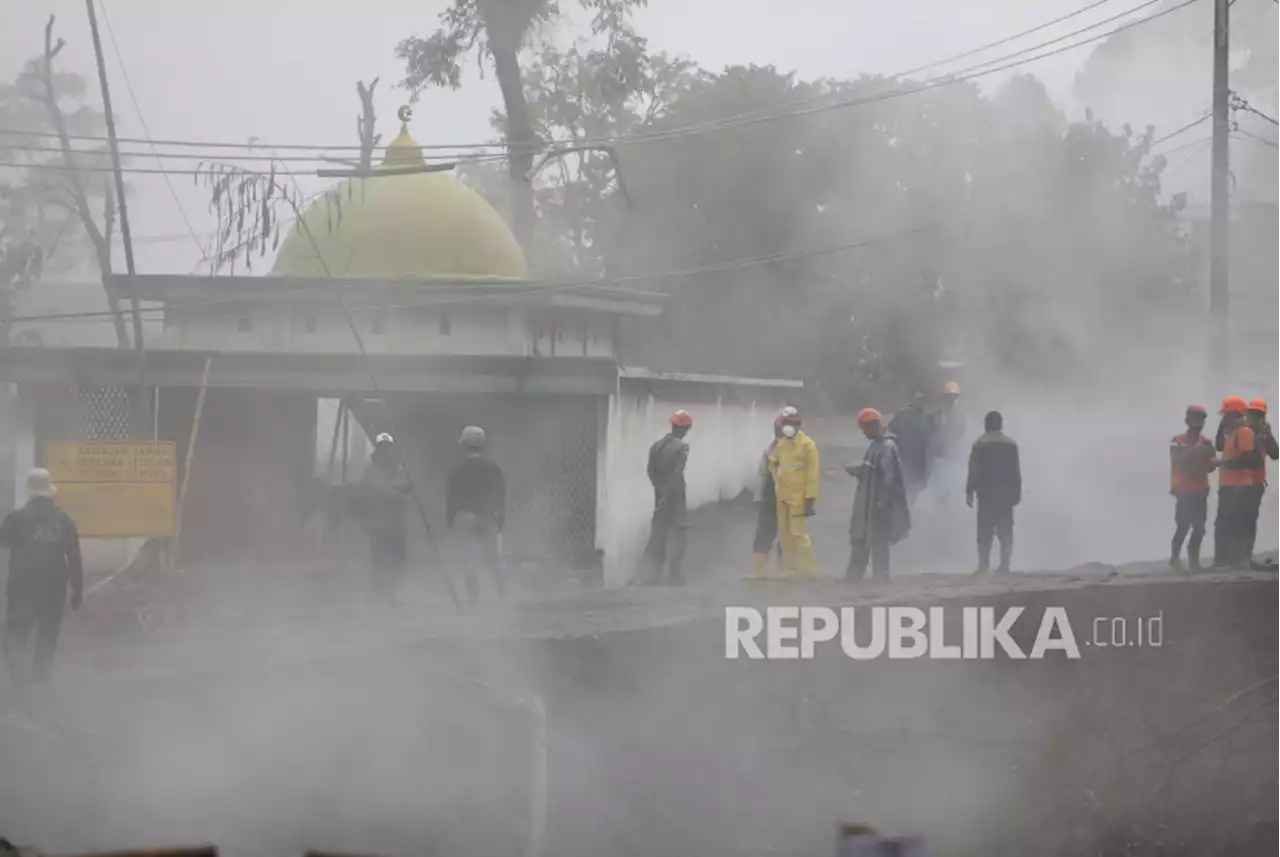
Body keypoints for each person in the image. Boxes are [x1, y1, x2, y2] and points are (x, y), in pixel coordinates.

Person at [0, 469, 82, 686]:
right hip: (54, 586)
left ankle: (19, 680)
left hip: (22, 585)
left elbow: (4, 541)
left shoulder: (16, 518)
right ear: (50, 492)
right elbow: (74, 557)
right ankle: (39, 681)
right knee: (47, 633)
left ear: (30, 492)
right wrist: (77, 591)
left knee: (15, 633)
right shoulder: (64, 519)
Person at [845, 408, 910, 581]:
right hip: (868, 503)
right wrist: (858, 471)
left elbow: (889, 477)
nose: (864, 433)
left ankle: (880, 577)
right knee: (861, 538)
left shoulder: (888, 446)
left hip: (879, 505)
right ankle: (854, 575)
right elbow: (872, 471)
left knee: (879, 542)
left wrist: (882, 502)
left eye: (865, 429)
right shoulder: (875, 445)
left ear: (874, 425)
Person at [447, 425, 507, 603]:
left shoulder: (458, 469)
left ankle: (473, 598)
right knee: (493, 557)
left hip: (464, 517)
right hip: (488, 516)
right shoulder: (493, 467)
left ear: (464, 445)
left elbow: (452, 497)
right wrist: (500, 517)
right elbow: (500, 494)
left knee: (469, 559)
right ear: (483, 445)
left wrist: (450, 519)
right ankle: (502, 594)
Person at [640, 410, 693, 585]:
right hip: (675, 496)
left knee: (659, 533)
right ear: (684, 428)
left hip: (660, 495)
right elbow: (677, 472)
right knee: (680, 533)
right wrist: (669, 492)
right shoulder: (682, 447)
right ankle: (674, 574)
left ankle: (655, 574)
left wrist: (660, 490)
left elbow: (650, 471)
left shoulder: (656, 446)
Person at [966, 411, 1021, 575]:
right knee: (1005, 532)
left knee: (984, 532)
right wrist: (1016, 493)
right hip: (1005, 495)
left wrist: (969, 491)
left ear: (987, 424)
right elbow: (1015, 472)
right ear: (1001, 424)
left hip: (986, 494)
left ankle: (983, 566)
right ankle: (1005, 565)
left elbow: (973, 470)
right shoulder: (1011, 444)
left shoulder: (980, 443)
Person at [769, 407, 821, 579]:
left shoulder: (807, 445)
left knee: (799, 534)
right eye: (785, 424)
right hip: (782, 496)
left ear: (798, 425)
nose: (787, 428)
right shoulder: (782, 444)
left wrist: (810, 499)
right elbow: (773, 462)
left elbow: (813, 474)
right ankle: (789, 570)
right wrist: (778, 479)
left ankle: (807, 570)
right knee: (785, 535)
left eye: (791, 424)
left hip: (798, 498)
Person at [359, 432, 411, 602]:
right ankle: (379, 594)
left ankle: (391, 593)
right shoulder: (370, 470)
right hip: (378, 523)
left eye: (388, 447)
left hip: (395, 522)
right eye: (383, 447)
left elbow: (406, 490)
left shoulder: (399, 468)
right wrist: (394, 492)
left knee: (398, 560)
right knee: (379, 560)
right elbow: (371, 492)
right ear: (378, 449)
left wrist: (404, 488)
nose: (386, 450)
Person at [1213, 396, 1261, 569]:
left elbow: (1248, 459)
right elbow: (1219, 445)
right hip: (1228, 486)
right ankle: (1225, 561)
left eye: (1227, 415)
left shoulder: (1244, 433)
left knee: (1234, 523)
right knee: (1225, 523)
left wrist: (1223, 463)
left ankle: (1236, 561)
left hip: (1238, 486)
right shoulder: (1234, 433)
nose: (1224, 418)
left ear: (1236, 414)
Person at [1169, 405, 1218, 572]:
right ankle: (1175, 560)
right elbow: (1178, 462)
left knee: (1199, 527)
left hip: (1200, 489)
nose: (1198, 424)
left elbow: (1210, 467)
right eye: (1195, 419)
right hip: (1183, 491)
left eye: (1201, 420)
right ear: (1187, 421)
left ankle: (1194, 563)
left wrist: (1214, 460)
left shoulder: (1206, 442)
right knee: (1183, 526)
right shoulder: (1177, 441)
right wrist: (1195, 450)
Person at [1243, 398, 1280, 567]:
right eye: (1253, 414)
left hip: (1256, 484)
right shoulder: (1243, 432)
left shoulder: (1264, 434)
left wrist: (1269, 436)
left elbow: (1275, 454)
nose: (1256, 418)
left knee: (1250, 520)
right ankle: (1237, 558)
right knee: (1238, 521)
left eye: (1259, 415)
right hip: (1239, 484)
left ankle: (1245, 557)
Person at [749, 412, 786, 579]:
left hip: (788, 497)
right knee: (764, 533)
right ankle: (760, 571)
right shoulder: (770, 449)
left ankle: (784, 570)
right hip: (770, 496)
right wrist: (758, 497)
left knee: (787, 535)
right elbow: (762, 474)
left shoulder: (797, 450)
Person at [887, 391, 932, 506]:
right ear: (912, 401)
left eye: (922, 400)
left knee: (917, 483)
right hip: (904, 453)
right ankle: (902, 504)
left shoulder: (926, 416)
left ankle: (909, 503)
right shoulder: (902, 415)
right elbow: (891, 428)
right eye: (917, 400)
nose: (920, 403)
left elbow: (931, 433)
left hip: (920, 455)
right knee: (904, 480)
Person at [928, 381, 968, 508]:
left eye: (953, 397)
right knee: (939, 484)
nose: (951, 399)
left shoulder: (960, 414)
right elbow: (930, 431)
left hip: (951, 453)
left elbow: (961, 431)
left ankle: (947, 505)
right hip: (938, 454)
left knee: (950, 482)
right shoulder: (936, 413)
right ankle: (941, 504)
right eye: (949, 397)